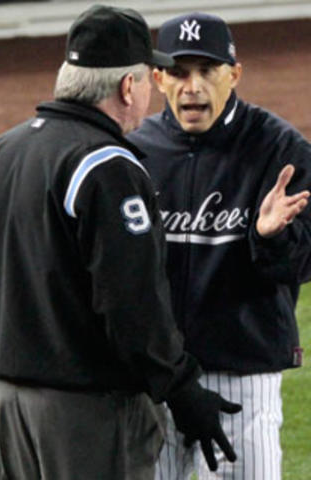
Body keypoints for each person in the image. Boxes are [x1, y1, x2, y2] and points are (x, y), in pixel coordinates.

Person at [0, 5, 242, 480]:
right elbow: (131, 303)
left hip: (9, 407)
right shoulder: (106, 166)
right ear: (128, 87)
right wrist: (183, 392)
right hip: (86, 414)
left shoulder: (5, 149)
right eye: (149, 78)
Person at [127, 12, 311, 480]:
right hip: (156, 379)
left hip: (242, 379)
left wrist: (272, 237)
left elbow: (303, 263)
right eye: (180, 72)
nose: (193, 87)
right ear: (158, 78)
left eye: (207, 71)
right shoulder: (133, 153)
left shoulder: (280, 150)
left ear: (234, 74)